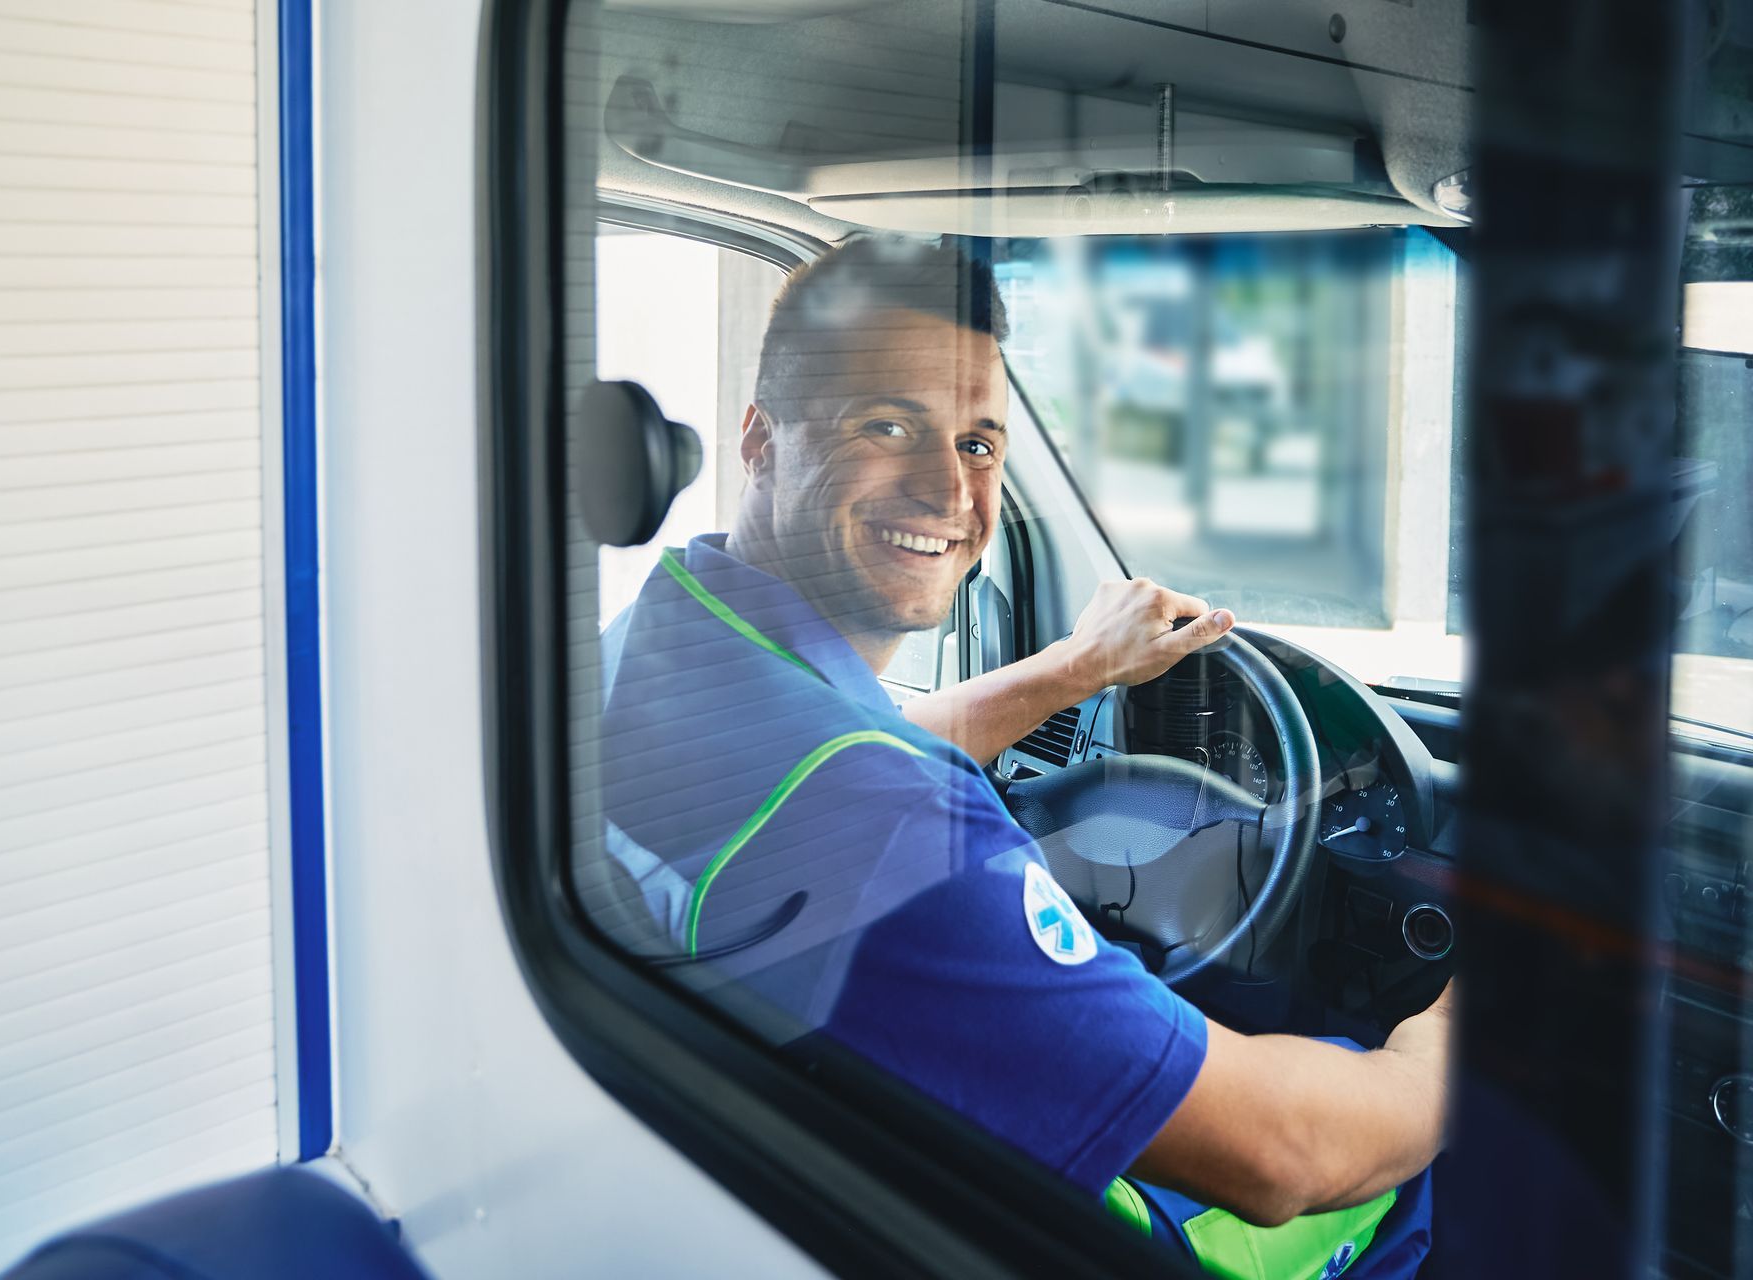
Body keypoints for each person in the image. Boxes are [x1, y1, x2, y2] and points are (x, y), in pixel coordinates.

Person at [597, 237, 1448, 1279]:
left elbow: (832, 772)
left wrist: (1073, 669)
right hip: (980, 1222)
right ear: (761, 440)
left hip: (780, 1181)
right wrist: (1450, 1042)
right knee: (1392, 1139)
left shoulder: (663, 645)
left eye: (978, 443)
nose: (947, 488)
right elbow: (1284, 1154)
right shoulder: (901, 836)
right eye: (889, 424)